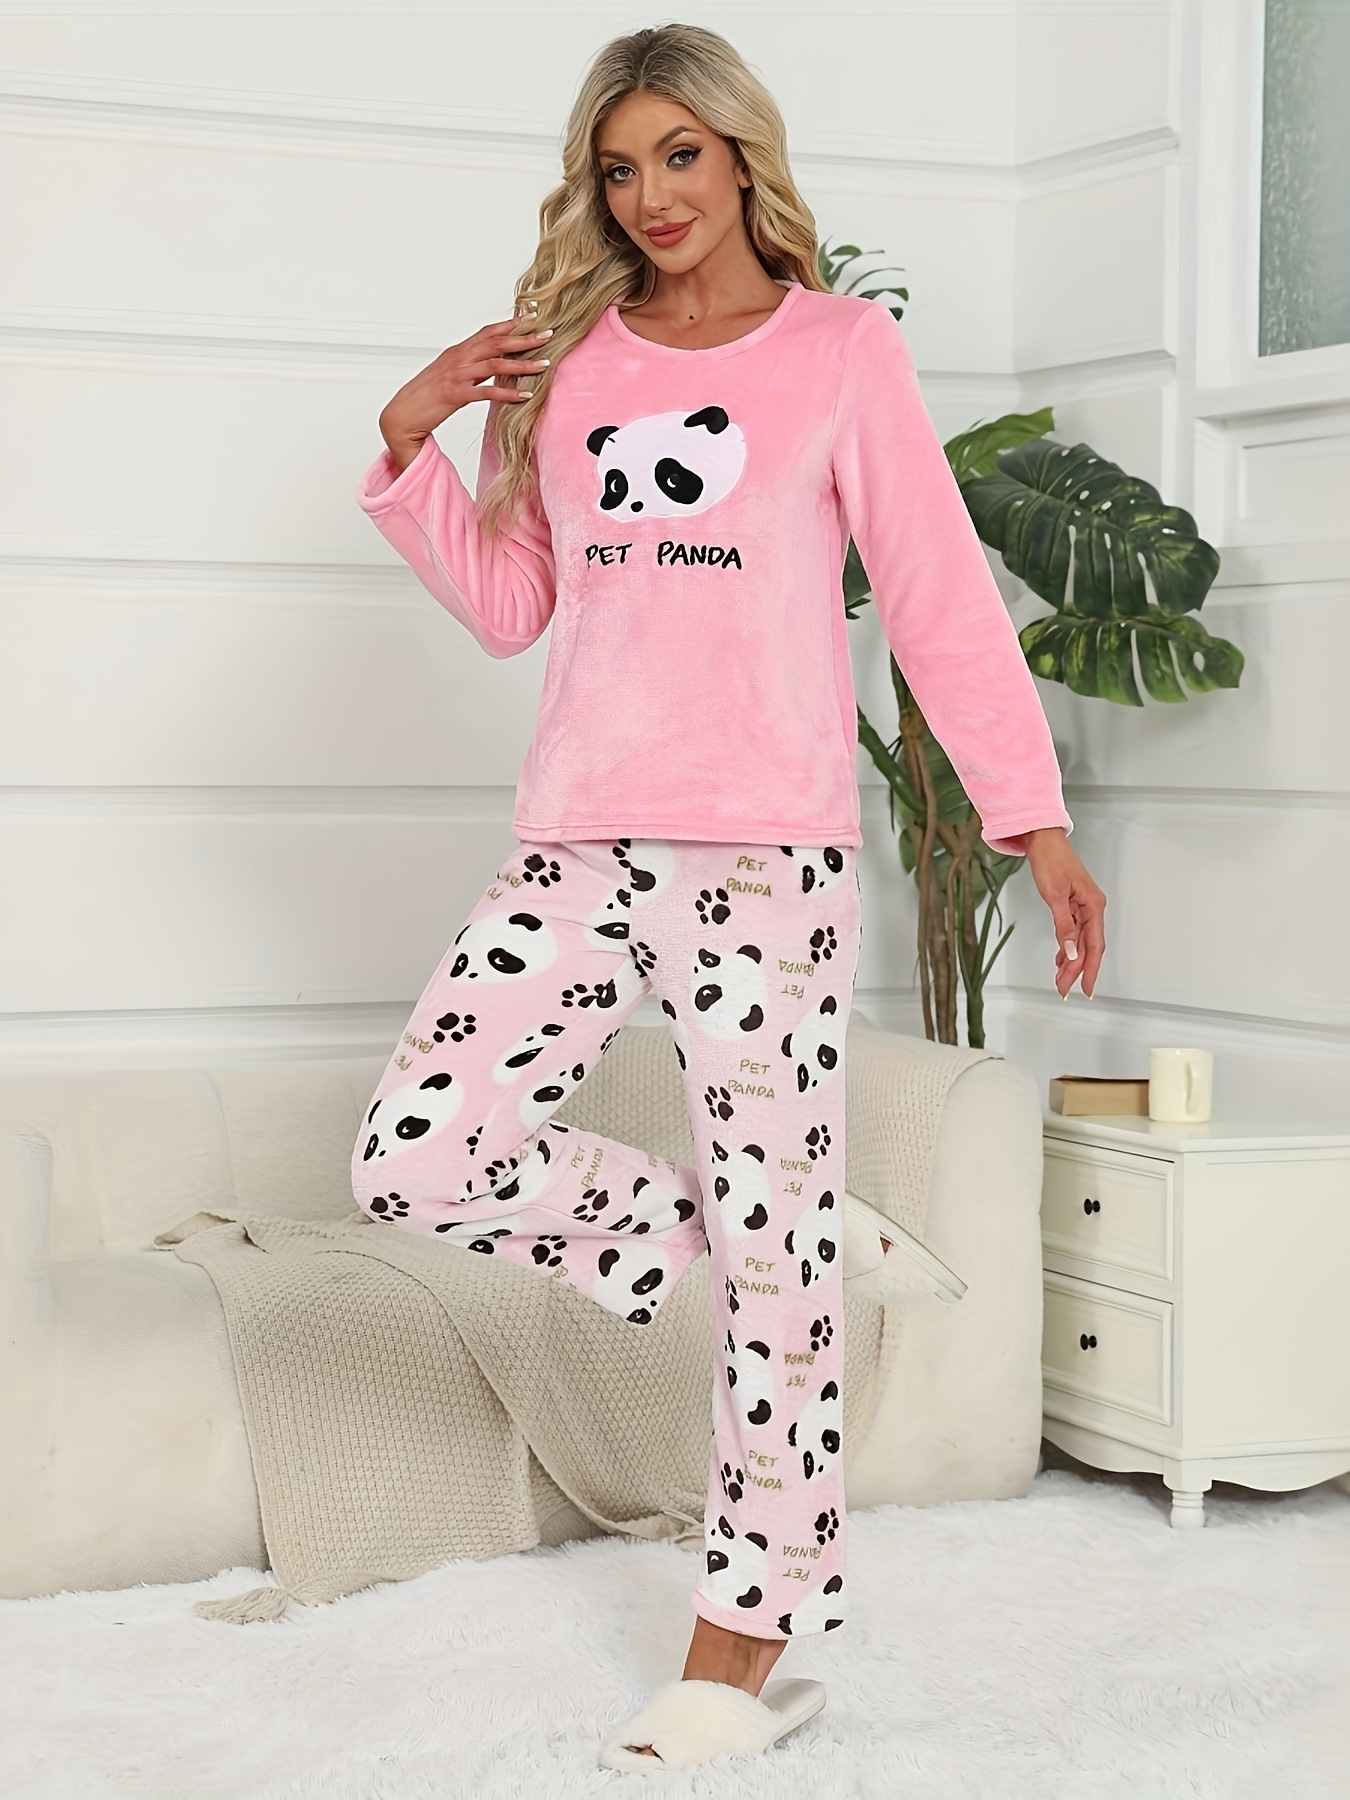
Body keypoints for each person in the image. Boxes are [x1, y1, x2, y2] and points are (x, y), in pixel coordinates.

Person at [352, 21, 1106, 1770]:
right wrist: (408, 440)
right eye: (617, 168)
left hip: (767, 853)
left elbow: (934, 593)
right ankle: (740, 1227)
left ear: (739, 154)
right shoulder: (568, 360)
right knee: (415, 1154)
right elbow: (512, 607)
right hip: (578, 839)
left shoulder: (840, 351)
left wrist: (1029, 817)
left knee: (778, 1270)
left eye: (677, 155)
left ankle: (740, 1641)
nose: (649, 195)